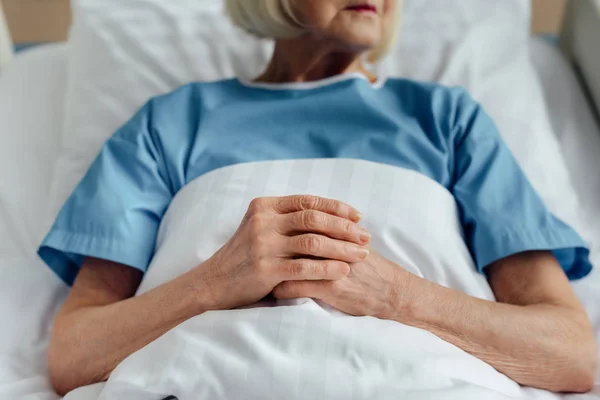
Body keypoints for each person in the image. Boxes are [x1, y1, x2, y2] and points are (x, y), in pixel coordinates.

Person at [38, 0, 597, 395]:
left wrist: (394, 295)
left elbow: (571, 350)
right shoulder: (170, 124)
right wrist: (217, 281)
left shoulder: (447, 121)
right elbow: (74, 351)